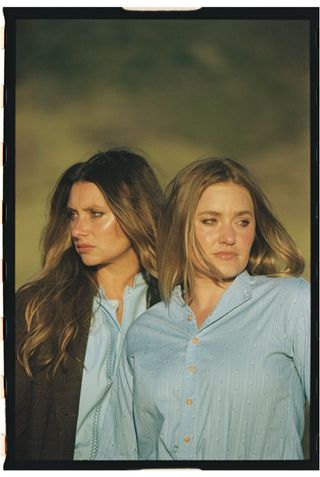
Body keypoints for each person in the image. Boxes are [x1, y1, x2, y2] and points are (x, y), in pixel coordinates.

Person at [96, 157, 310, 461]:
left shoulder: (292, 303)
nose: (229, 237)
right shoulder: (144, 332)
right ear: (180, 227)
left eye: (243, 221)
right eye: (210, 220)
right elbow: (116, 455)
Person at [15, 148, 164, 460]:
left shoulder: (177, 310)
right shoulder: (36, 311)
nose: (78, 230)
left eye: (96, 214)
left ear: (136, 213)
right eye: (73, 215)